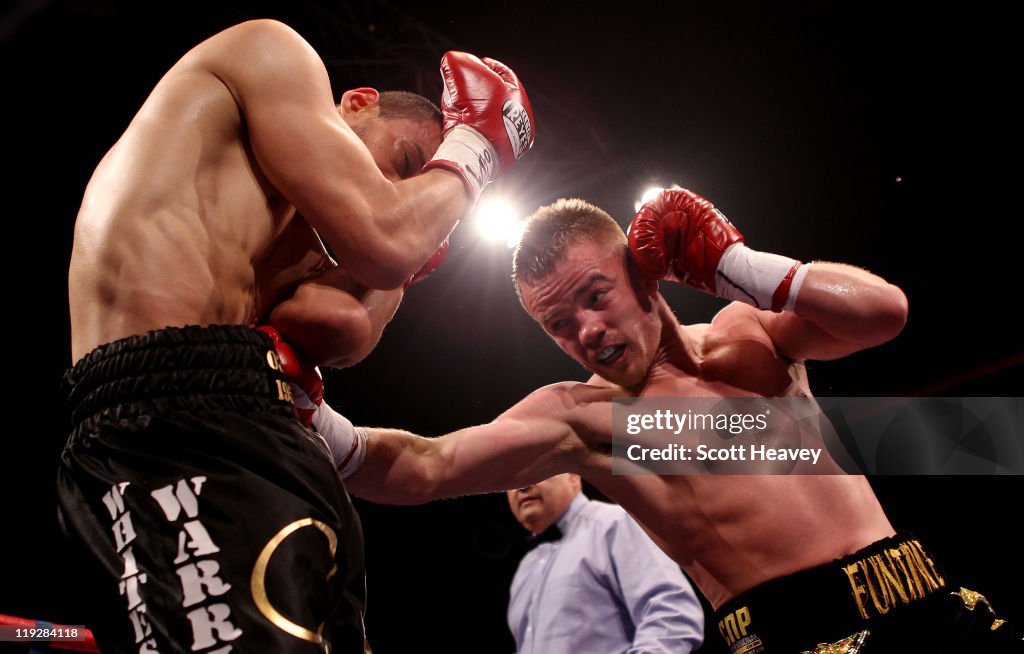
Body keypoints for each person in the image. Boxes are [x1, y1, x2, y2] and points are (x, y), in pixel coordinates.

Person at [296, 188, 1017, 652]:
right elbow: (424, 469)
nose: (585, 330)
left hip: (928, 598)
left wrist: (736, 263)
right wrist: (307, 412)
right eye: (557, 323)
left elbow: (884, 313)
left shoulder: (749, 333)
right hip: (800, 637)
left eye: (595, 294)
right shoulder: (588, 422)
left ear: (644, 274)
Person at [59, 17, 535, 654]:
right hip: (174, 412)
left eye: (417, 183)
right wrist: (473, 150)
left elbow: (343, 326)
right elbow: (381, 254)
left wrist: (407, 255)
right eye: (407, 163)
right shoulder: (272, 52)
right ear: (358, 103)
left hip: (246, 419)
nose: (402, 190)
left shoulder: (301, 231)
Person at [505, 473, 704, 654]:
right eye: (511, 481)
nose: (522, 487)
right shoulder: (526, 567)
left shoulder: (614, 523)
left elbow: (672, 615)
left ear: (573, 477)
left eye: (536, 471)